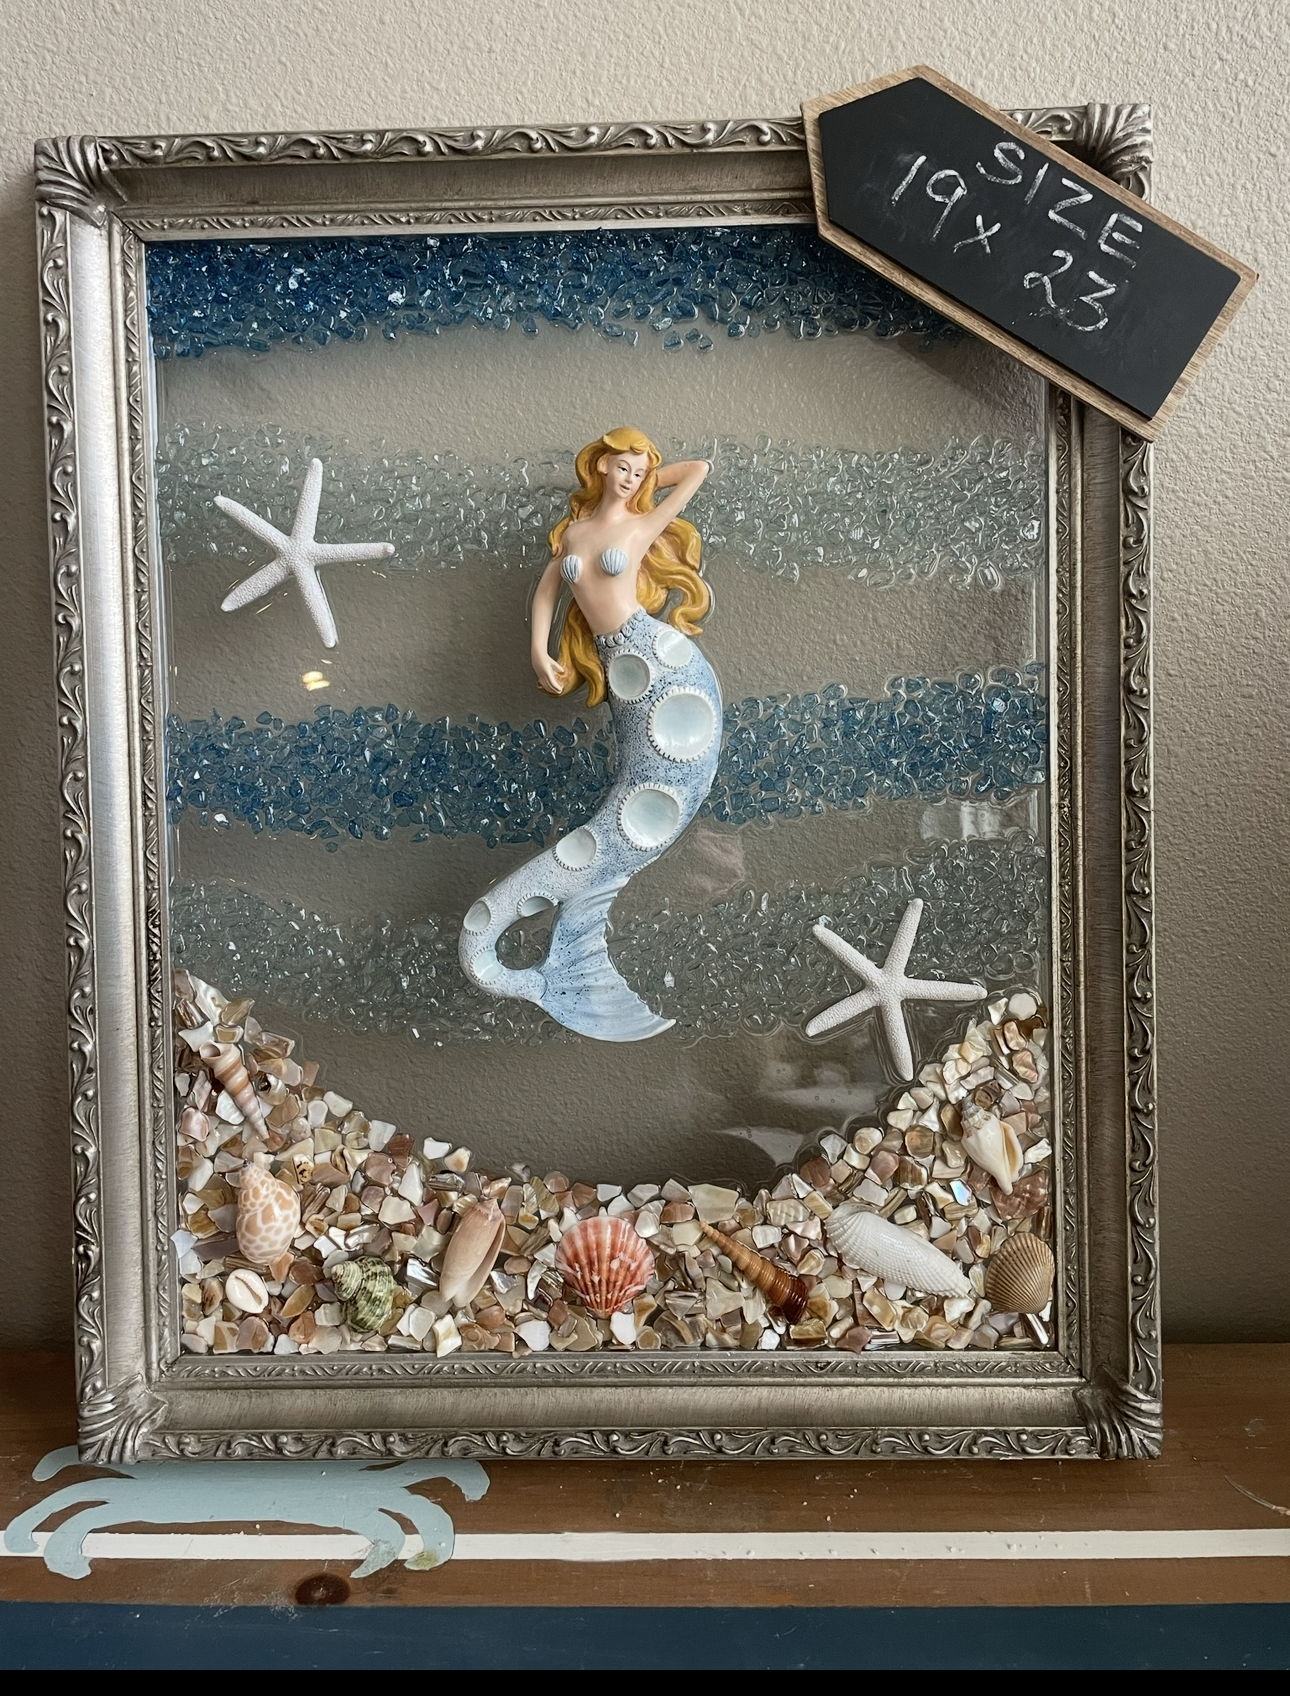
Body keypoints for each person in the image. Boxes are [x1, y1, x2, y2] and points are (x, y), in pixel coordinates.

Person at [457, 427, 723, 1042]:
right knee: (615, 825)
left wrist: (646, 478)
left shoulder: (642, 525)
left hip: (665, 668)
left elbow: (698, 471)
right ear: (600, 465)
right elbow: (547, 593)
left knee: (637, 812)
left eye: (639, 472)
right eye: (621, 467)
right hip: (621, 667)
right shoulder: (574, 535)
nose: (630, 479)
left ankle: (566, 960)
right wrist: (538, 649)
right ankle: (564, 957)